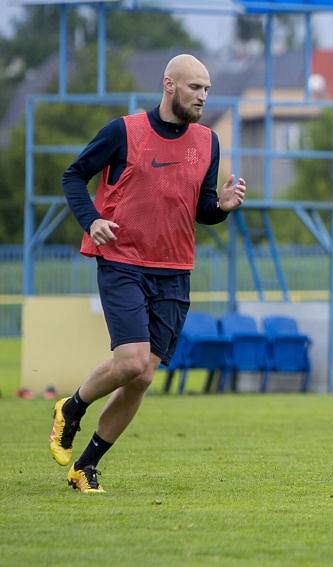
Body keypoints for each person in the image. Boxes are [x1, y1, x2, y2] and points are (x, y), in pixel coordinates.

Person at [49, 54, 247, 494]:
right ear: (169, 85)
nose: (203, 96)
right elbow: (73, 176)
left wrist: (224, 209)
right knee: (132, 360)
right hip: (122, 261)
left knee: (142, 378)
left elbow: (202, 209)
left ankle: (85, 467)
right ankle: (73, 407)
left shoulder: (208, 142)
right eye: (195, 87)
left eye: (207, 89)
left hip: (175, 270)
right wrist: (91, 220)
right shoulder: (124, 131)